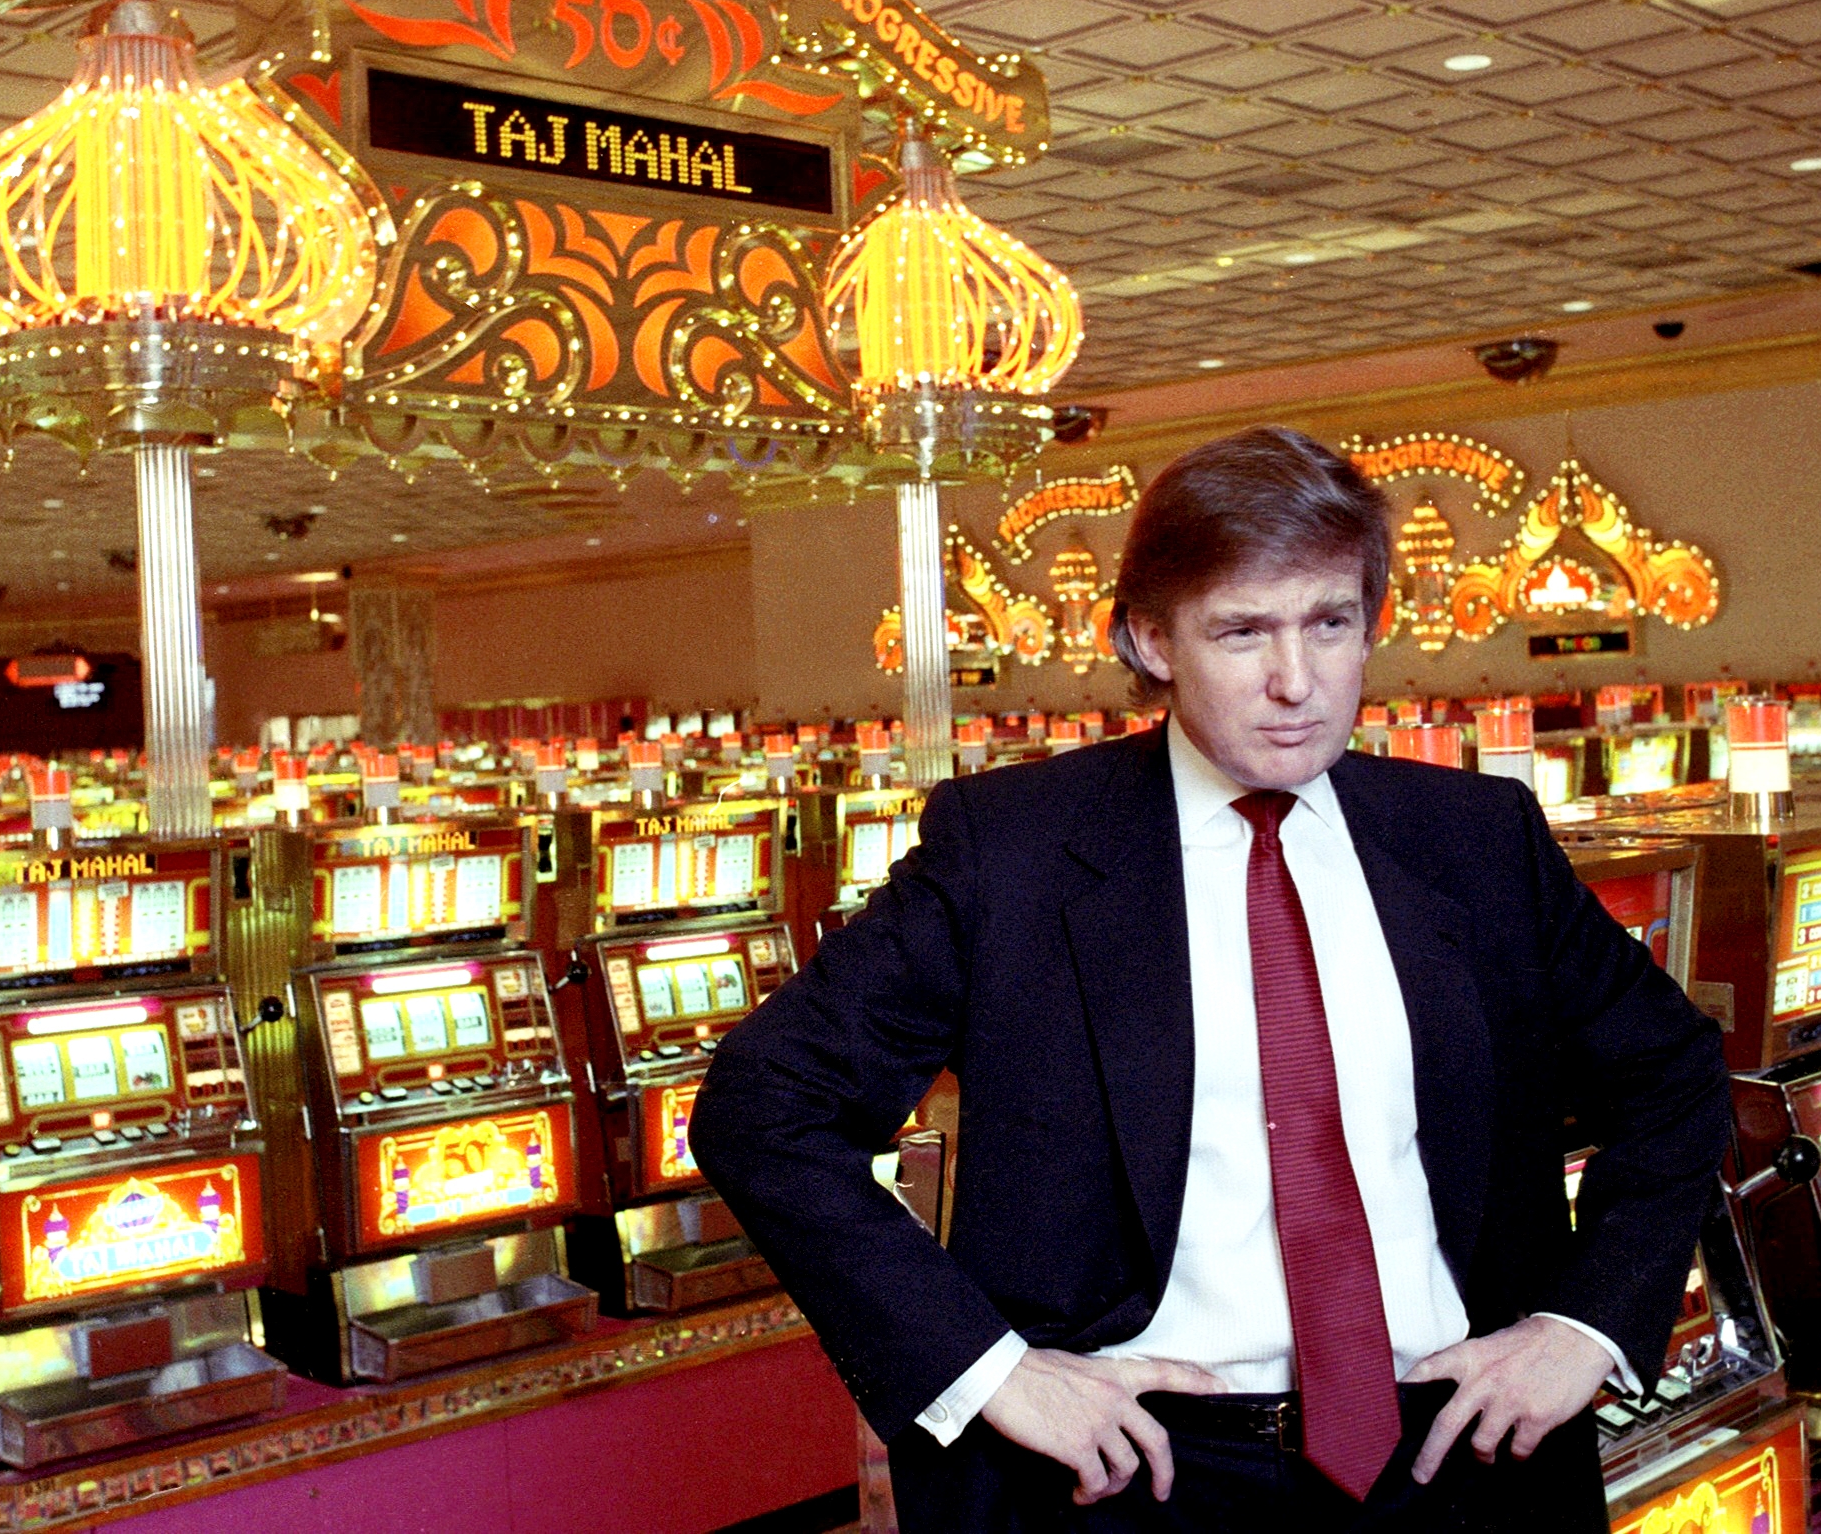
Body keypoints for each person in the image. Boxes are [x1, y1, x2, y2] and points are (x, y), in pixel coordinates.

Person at [692, 426, 1730, 1530]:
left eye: (1329, 623)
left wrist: (1587, 1322)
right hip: (1130, 1477)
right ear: (1152, 639)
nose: (1297, 682)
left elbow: (1674, 1072)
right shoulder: (1014, 850)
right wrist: (988, 1369)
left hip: (1457, 1455)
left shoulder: (1475, 837)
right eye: (1243, 631)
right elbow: (763, 1108)